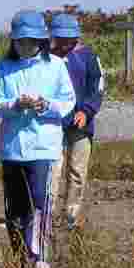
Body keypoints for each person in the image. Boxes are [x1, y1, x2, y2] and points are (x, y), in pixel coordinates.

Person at [0, 10, 76, 268]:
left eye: (32, 41)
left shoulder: (56, 66)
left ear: (42, 41)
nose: (27, 46)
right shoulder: (4, 67)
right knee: (15, 208)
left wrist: (46, 105)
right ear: (13, 42)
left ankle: (41, 257)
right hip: (13, 148)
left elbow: (68, 103)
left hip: (43, 146)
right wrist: (14, 104)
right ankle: (20, 259)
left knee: (40, 204)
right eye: (21, 41)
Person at [47, 13, 104, 232]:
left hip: (81, 124)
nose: (64, 44)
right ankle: (48, 214)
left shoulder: (88, 57)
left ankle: (71, 214)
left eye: (68, 39)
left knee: (77, 171)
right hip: (54, 124)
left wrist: (87, 111)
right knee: (53, 170)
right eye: (59, 39)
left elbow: (97, 87)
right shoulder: (47, 58)